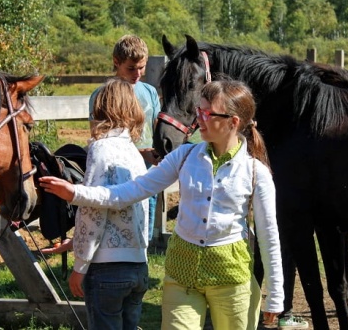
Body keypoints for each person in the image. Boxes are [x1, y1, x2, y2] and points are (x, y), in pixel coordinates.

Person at [40, 80, 284, 330]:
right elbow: (131, 191)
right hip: (182, 272)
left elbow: (268, 235)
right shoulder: (185, 156)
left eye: (207, 113)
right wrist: (76, 193)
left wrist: (276, 295)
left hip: (231, 276)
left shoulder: (255, 172)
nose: (199, 119)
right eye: (198, 111)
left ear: (233, 122)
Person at [67, 77, 149, 330]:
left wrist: (80, 265)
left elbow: (94, 210)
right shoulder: (134, 153)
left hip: (107, 267)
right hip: (138, 264)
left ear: (100, 108)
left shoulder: (101, 148)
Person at [89, 34, 160, 241]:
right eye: (131, 68)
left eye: (142, 67)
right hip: (116, 173)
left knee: (146, 219)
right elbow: (98, 138)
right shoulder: (101, 95)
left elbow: (155, 129)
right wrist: (141, 153)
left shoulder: (150, 92)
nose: (138, 74)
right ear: (116, 62)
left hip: (147, 172)